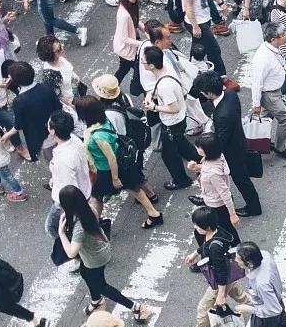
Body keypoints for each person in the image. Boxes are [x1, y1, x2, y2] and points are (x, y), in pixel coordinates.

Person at [57, 185, 153, 319]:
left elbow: (71, 253)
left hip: (94, 259)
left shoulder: (79, 227)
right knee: (84, 272)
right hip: (99, 249)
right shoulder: (89, 209)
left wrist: (61, 233)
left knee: (101, 286)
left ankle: (136, 307)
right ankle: (96, 300)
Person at [75, 96, 163, 227]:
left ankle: (93, 225)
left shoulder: (97, 136)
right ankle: (154, 214)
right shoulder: (104, 121)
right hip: (122, 165)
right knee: (134, 187)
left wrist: (115, 179)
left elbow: (111, 158)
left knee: (96, 197)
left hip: (107, 170)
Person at [193, 72, 262, 217]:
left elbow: (221, 141)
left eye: (203, 92)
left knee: (241, 180)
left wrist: (206, 156)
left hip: (232, 153)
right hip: (239, 141)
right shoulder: (230, 94)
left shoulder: (222, 115)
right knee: (241, 178)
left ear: (210, 93)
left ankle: (254, 208)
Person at [181, 206, 247, 327]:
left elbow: (220, 272)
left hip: (219, 281)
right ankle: (258, 306)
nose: (195, 227)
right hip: (230, 275)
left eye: (197, 225)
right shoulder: (218, 231)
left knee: (203, 308)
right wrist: (195, 253)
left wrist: (221, 295)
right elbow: (207, 244)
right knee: (238, 293)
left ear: (207, 227)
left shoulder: (215, 248)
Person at [141, 46, 201, 191]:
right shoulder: (166, 71)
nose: (142, 63)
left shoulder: (164, 87)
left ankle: (181, 180)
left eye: (144, 62)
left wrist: (154, 107)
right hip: (179, 120)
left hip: (172, 122)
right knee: (181, 144)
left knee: (169, 155)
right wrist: (150, 95)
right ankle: (201, 161)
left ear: (151, 66)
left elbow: (173, 108)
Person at [250, 21, 286, 161]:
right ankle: (280, 148)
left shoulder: (274, 48)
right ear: (273, 39)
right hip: (269, 95)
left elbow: (282, 64)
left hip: (275, 91)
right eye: (282, 35)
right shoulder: (263, 58)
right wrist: (256, 104)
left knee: (265, 117)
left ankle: (258, 140)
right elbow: (256, 83)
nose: (285, 36)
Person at [44, 110, 90, 238]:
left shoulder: (63, 160)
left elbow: (70, 189)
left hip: (66, 201)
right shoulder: (75, 139)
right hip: (84, 187)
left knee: (51, 227)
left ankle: (66, 244)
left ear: (53, 131)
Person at [7, 61, 62, 163]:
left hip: (39, 138)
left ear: (16, 81)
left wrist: (6, 135)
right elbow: (59, 107)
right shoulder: (46, 87)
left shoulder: (19, 101)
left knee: (51, 161)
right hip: (58, 130)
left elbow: (19, 124)